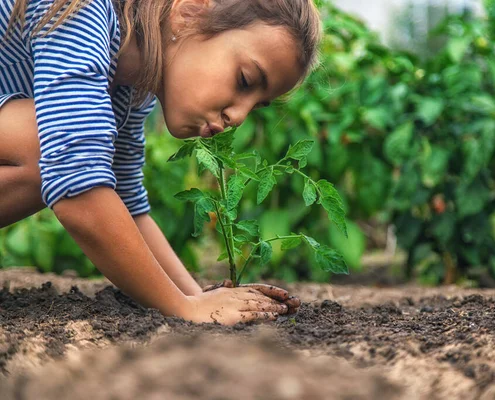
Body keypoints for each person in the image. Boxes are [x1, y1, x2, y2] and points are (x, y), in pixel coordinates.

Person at [0, 0, 321, 325]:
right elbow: (79, 190)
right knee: (43, 142)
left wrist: (197, 297)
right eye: (244, 80)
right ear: (191, 10)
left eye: (257, 106)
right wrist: (185, 308)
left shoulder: (130, 87)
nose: (238, 116)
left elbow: (125, 203)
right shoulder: (83, 12)